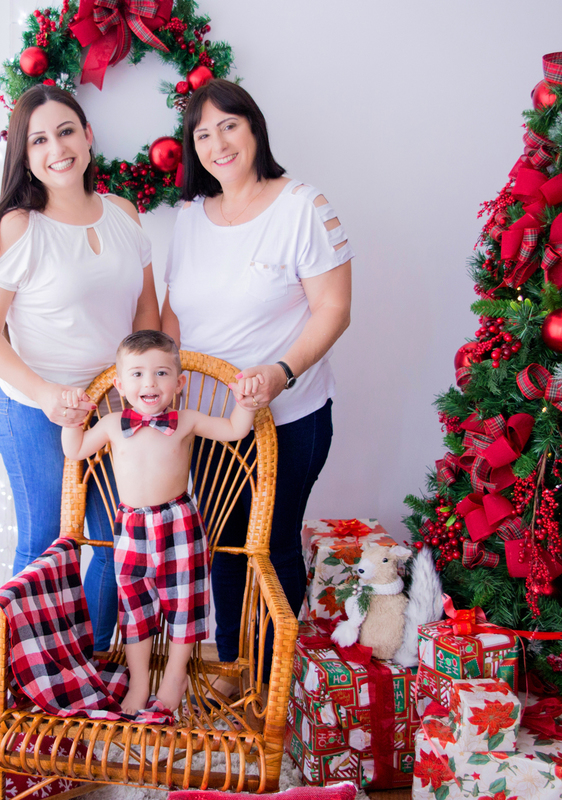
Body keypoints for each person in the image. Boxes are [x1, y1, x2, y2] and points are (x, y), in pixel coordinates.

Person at [161, 79, 353, 697]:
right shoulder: (189, 220)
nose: (218, 143)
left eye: (230, 126)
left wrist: (280, 372)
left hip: (288, 415)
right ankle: (234, 674)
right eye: (203, 133)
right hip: (211, 422)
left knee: (267, 548)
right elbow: (173, 317)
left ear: (255, 129)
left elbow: (332, 310)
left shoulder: (303, 206)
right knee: (221, 545)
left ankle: (273, 691)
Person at [0, 84, 160, 650]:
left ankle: (89, 661)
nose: (58, 148)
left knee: (113, 541)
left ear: (89, 136)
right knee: (46, 539)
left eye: (67, 131)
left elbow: (144, 314)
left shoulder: (124, 213)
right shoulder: (16, 228)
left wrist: (140, 390)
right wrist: (47, 392)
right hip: (35, 409)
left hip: (112, 411)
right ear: (25, 157)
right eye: (40, 139)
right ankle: (22, 676)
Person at [60, 330, 260, 714]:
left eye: (162, 373)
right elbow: (75, 450)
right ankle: (138, 683)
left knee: (183, 604)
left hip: (179, 524)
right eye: (136, 374)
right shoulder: (113, 424)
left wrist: (246, 403)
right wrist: (74, 419)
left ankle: (173, 677)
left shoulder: (185, 420)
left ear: (180, 382)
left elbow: (236, 430)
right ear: (119, 384)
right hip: (132, 528)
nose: (149, 383)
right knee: (134, 607)